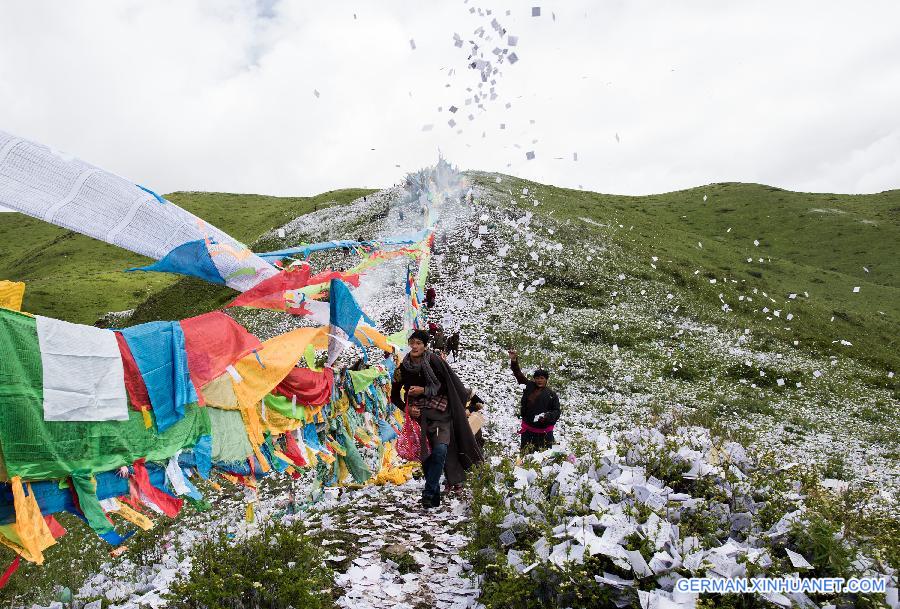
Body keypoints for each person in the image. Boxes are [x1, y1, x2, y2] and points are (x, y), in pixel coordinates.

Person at [391, 330, 482, 508]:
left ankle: (428, 492)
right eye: (412, 343)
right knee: (426, 456)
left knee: (440, 450)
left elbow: (448, 385)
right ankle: (433, 497)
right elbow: (394, 396)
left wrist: (423, 391)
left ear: (425, 346)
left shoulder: (434, 361)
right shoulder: (403, 368)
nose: (415, 346)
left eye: (419, 343)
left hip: (441, 414)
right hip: (419, 418)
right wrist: (407, 409)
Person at [509, 350, 560, 453]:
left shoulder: (551, 394)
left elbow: (557, 411)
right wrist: (514, 360)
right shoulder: (528, 386)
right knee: (526, 454)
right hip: (528, 430)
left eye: (542, 378)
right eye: (537, 378)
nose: (539, 380)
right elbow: (518, 374)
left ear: (546, 380)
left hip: (544, 432)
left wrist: (547, 416)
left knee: (544, 456)